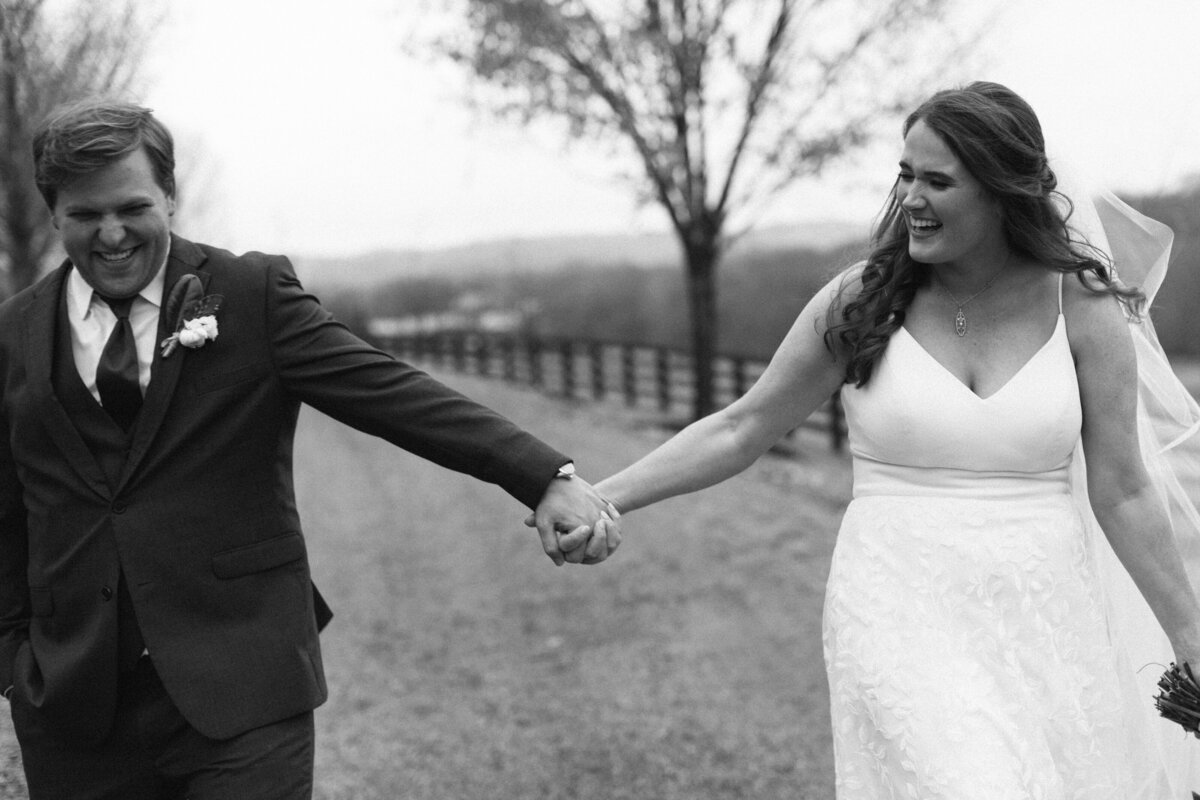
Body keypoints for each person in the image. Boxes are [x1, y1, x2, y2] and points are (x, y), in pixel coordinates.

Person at [569, 81, 1200, 797]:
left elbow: (1122, 488)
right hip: (900, 604)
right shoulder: (862, 300)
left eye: (937, 180)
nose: (910, 198)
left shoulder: (1081, 304)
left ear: (1003, 193)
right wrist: (602, 496)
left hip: (1045, 611)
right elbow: (742, 426)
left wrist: (1190, 635)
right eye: (905, 174)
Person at [0, 99, 620, 800]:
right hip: (76, 708)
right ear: (53, 213)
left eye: (131, 207)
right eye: (85, 215)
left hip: (244, 684)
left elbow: (394, 394)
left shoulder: (250, 296)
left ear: (169, 197)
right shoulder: (13, 333)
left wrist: (543, 476)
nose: (111, 234)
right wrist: (14, 659)